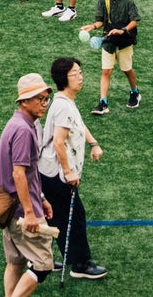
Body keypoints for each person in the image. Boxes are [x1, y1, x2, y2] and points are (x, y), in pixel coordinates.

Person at [38, 56, 106, 282]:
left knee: (52, 217)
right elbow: (59, 142)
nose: (80, 76)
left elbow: (79, 125)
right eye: (75, 74)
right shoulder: (62, 106)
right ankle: (79, 263)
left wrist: (93, 143)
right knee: (74, 217)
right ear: (63, 79)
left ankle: (39, 258)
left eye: (80, 72)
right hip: (56, 174)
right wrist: (68, 172)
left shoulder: (66, 103)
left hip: (51, 173)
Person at [0, 73, 59, 297]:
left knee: (15, 262)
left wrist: (41, 198)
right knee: (41, 266)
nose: (44, 104)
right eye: (39, 99)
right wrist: (31, 213)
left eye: (45, 99)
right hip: (24, 213)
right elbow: (19, 174)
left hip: (10, 210)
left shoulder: (16, 123)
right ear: (24, 101)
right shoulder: (24, 130)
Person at [89, 0, 140, 115]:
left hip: (124, 42)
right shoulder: (102, 1)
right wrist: (92, 26)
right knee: (106, 71)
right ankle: (103, 102)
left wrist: (122, 30)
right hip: (109, 42)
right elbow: (100, 22)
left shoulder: (129, 1)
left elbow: (134, 21)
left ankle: (134, 92)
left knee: (126, 70)